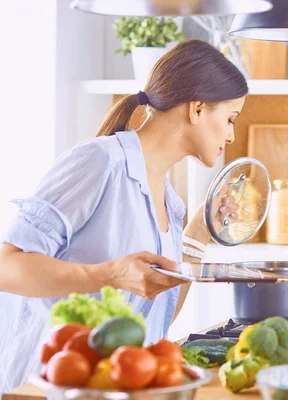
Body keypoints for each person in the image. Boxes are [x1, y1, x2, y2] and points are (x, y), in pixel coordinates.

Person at [0, 39, 247, 392]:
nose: (231, 134)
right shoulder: (100, 162)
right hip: (41, 387)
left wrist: (200, 229)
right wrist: (111, 274)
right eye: (230, 119)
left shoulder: (170, 204)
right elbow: (7, 268)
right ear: (197, 109)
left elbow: (153, 321)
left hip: (108, 387)